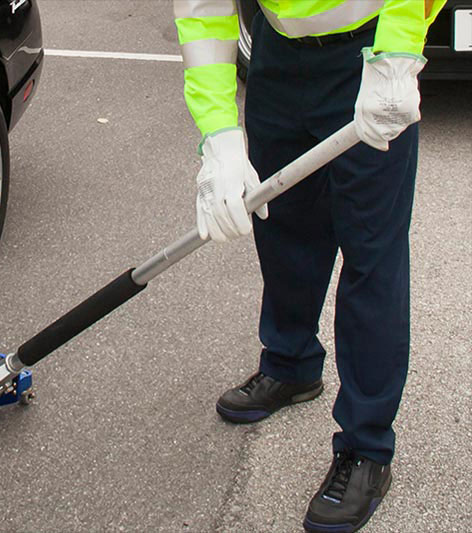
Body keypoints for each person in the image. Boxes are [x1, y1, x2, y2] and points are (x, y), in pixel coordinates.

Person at [173, 1, 445, 531]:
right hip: (277, 56)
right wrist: (218, 137)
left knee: (371, 254)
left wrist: (396, 52)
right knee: (284, 224)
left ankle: (367, 446)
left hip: (367, 54)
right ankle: (291, 364)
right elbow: (203, 8)